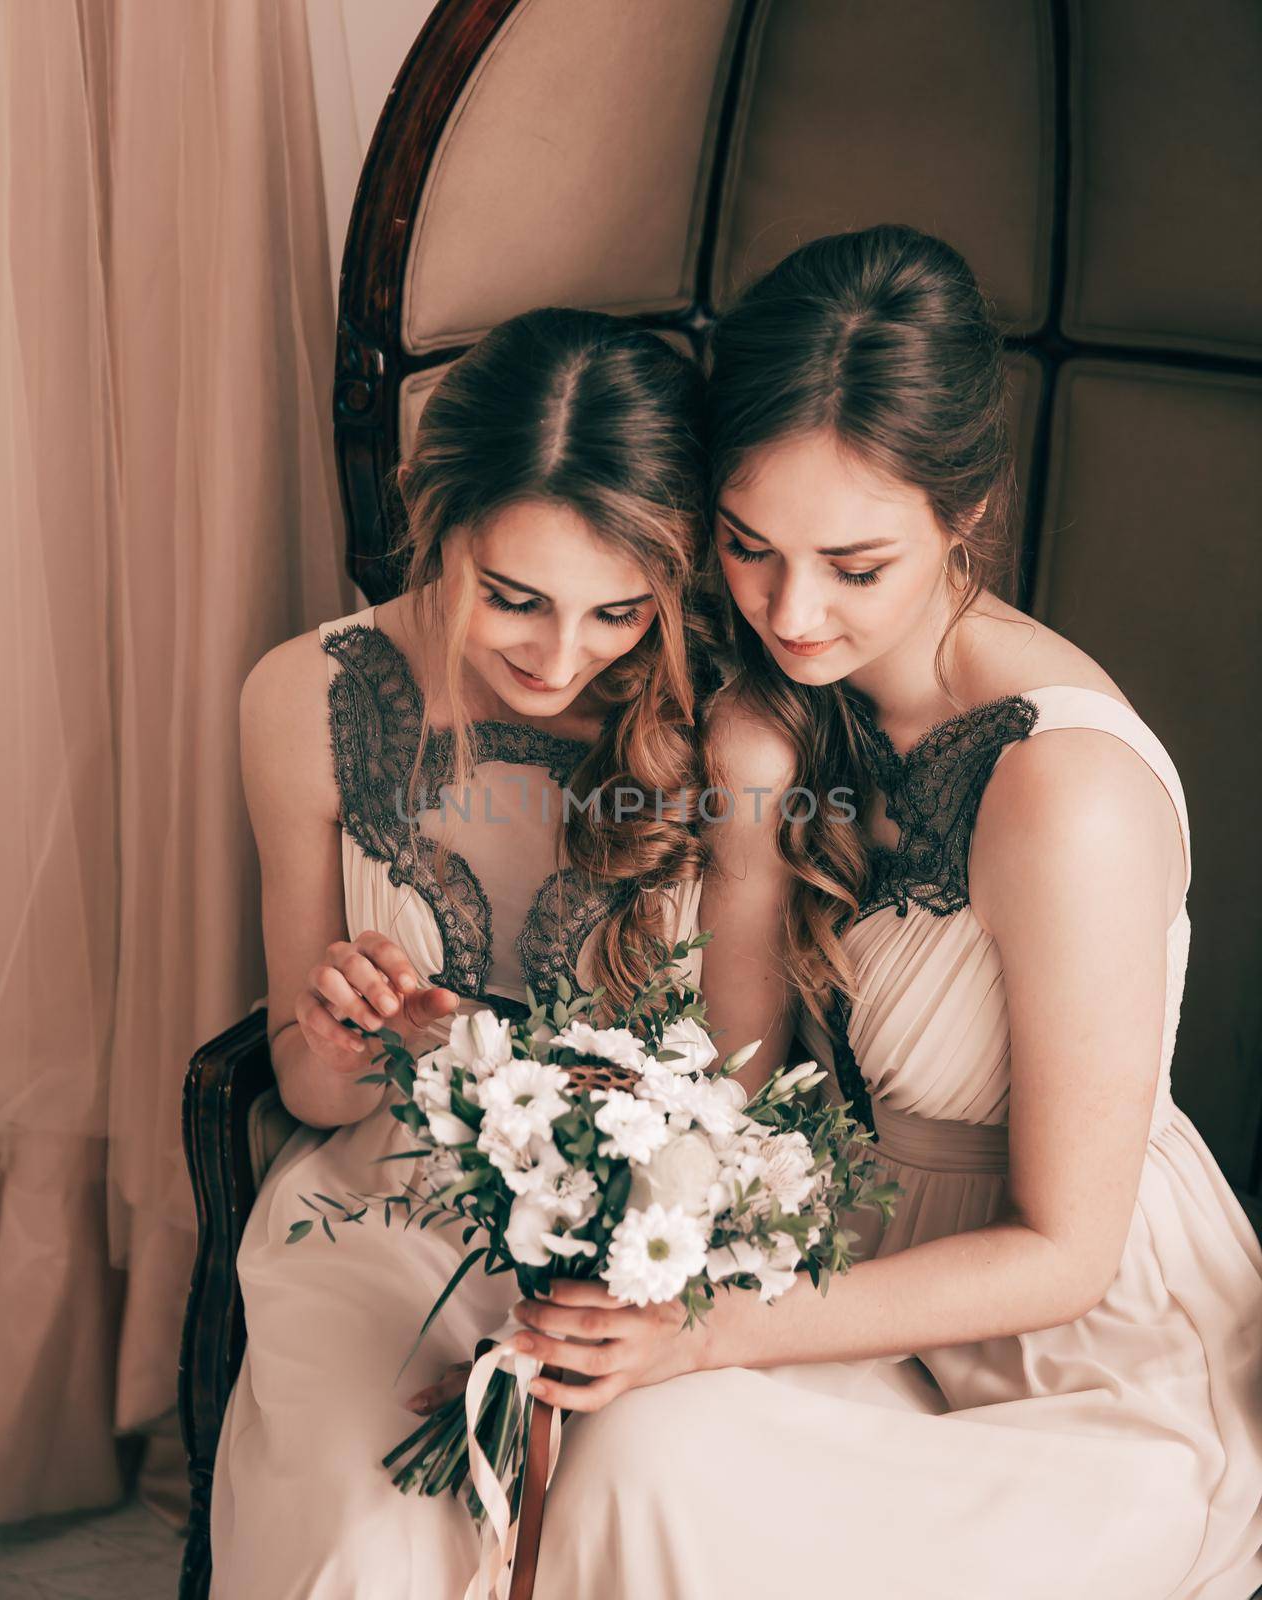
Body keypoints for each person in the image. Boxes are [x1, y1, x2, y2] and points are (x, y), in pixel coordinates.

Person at [513, 227, 1262, 1600]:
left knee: (677, 1469)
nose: (794, 613)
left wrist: (711, 1333)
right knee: (611, 1442)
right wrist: (746, 808)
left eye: (857, 567)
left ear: (965, 515)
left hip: (1071, 1367)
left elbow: (1066, 1255)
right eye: (749, 549)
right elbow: (748, 1079)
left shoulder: (1065, 790)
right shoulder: (793, 689)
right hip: (852, 1269)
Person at [207, 307, 770, 1598]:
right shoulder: (305, 697)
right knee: (380, 1544)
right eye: (513, 598)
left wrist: (605, 1280)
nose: (558, 658)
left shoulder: (730, 727)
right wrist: (353, 1026)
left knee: (626, 1527)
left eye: (619, 612)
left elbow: (739, 1094)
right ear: (433, 517)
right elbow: (313, 1093)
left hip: (654, 1233)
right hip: (379, 1207)